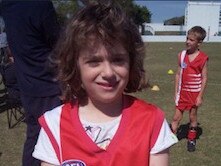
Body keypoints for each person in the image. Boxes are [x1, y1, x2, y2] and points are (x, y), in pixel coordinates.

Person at [32, 3, 178, 166]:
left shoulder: (152, 121)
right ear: (75, 65)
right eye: (94, 61)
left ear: (131, 62)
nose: (108, 72)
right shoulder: (54, 125)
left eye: (117, 60)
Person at [1, 1, 62, 165]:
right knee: (54, 136)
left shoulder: (7, 6)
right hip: (48, 84)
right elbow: (58, 42)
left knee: (34, 134)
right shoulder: (39, 4)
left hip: (27, 84)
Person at [170, 26, 208, 152]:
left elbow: (204, 77)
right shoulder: (181, 55)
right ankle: (170, 138)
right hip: (182, 93)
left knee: (192, 117)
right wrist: (175, 92)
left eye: (191, 40)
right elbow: (177, 74)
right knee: (176, 118)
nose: (187, 41)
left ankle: (191, 139)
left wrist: (200, 96)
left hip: (194, 94)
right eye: (187, 38)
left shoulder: (203, 58)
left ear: (199, 42)